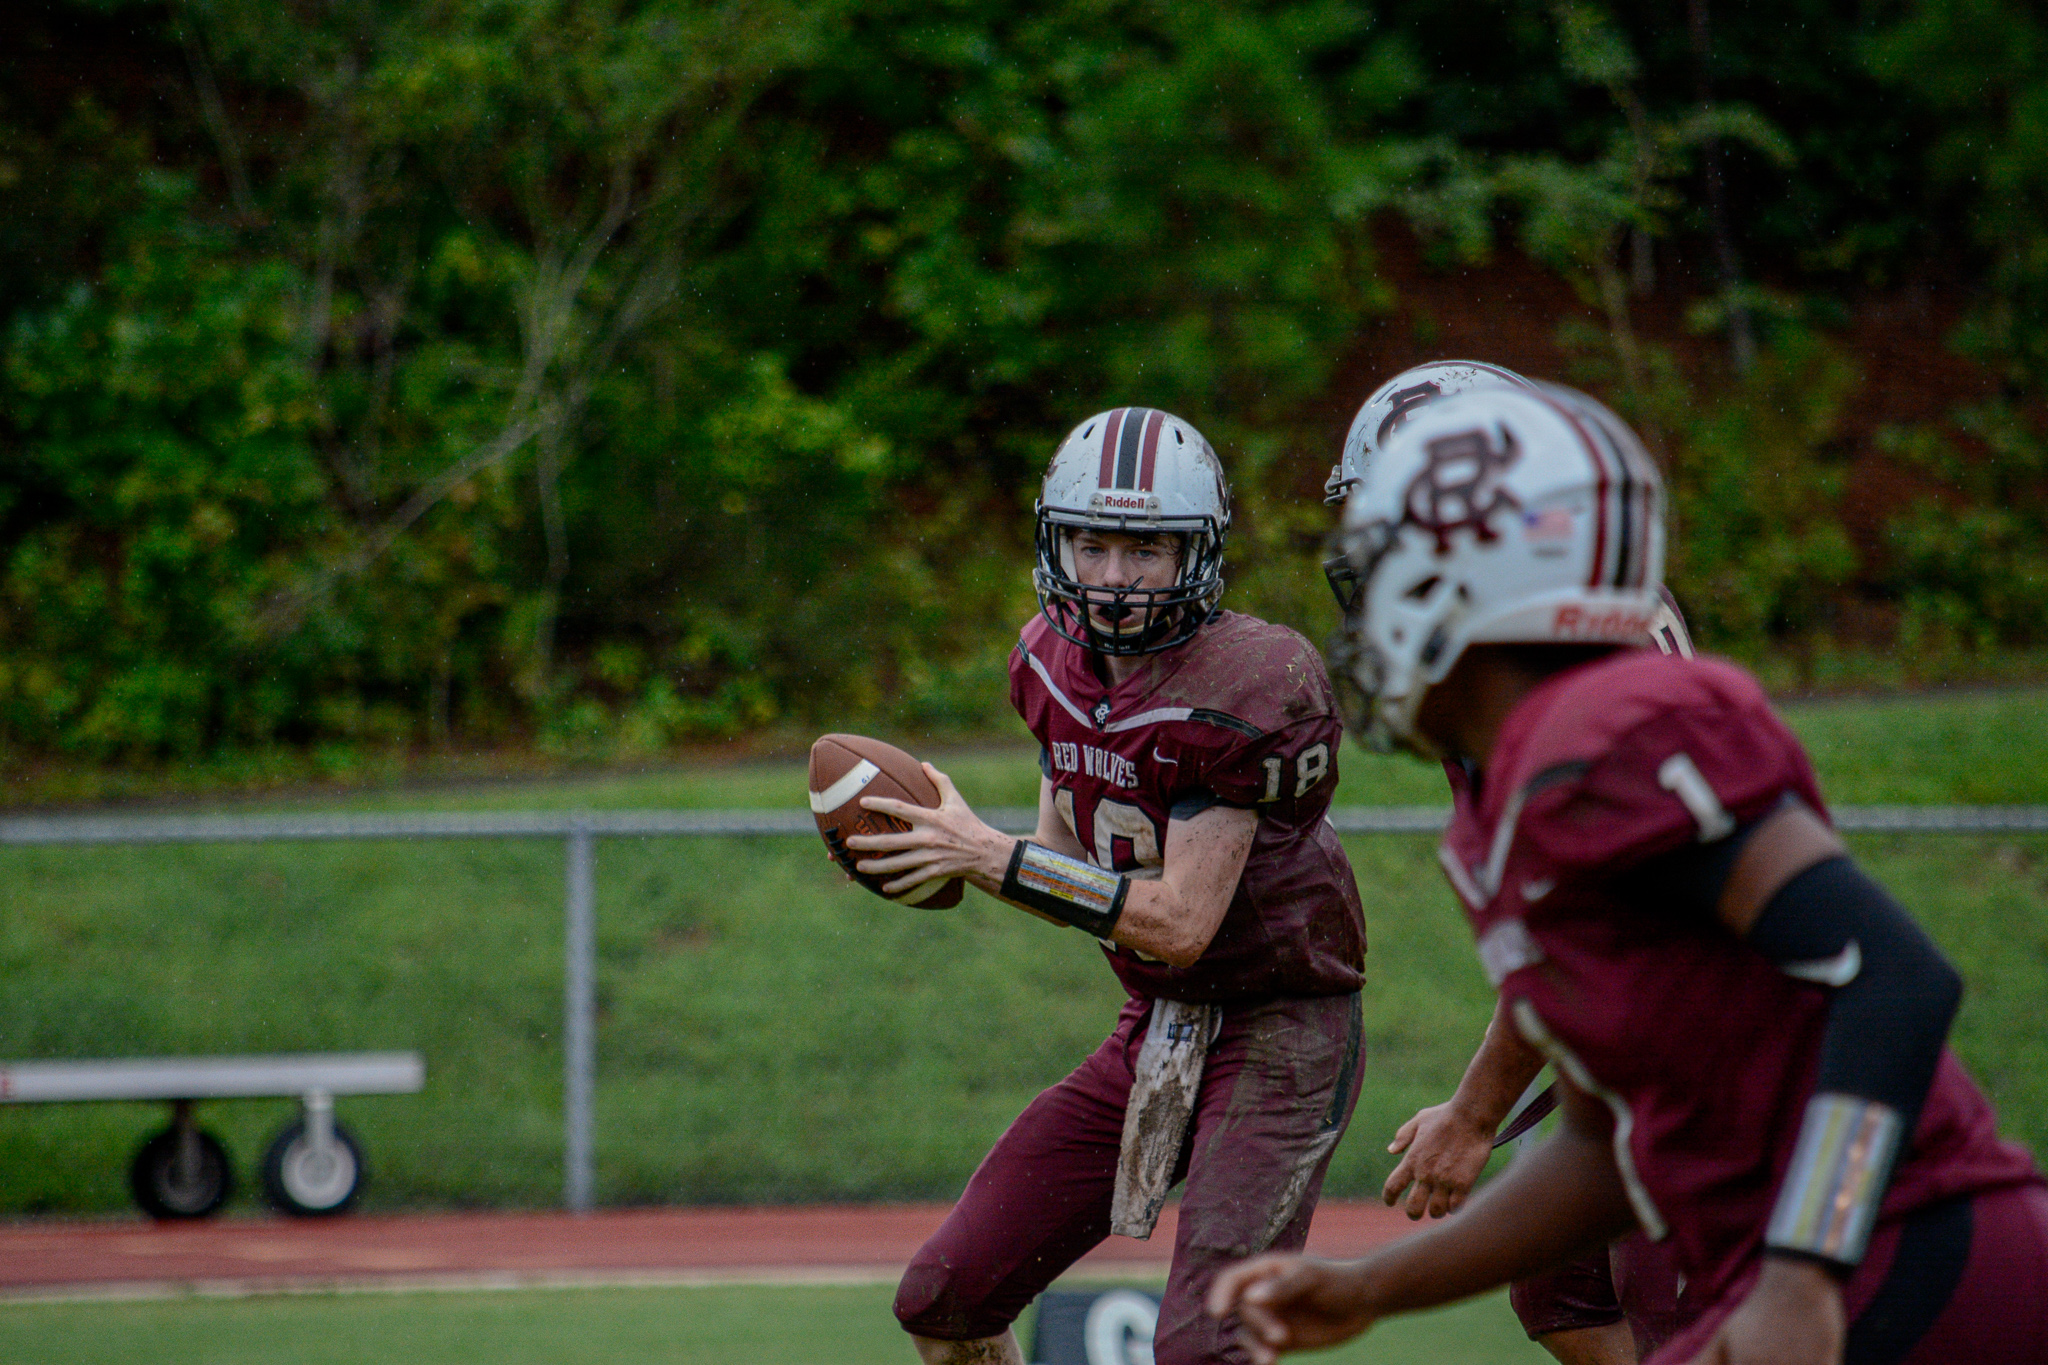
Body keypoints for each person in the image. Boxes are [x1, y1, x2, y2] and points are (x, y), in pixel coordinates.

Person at [1210, 387, 2048, 1364]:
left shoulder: (1615, 732)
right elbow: (1601, 1145)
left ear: (1472, 587)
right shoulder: (1503, 795)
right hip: (1791, 1278)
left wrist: (1799, 1273)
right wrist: (1371, 1286)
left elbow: (1893, 980)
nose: (1366, 598)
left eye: (1392, 560)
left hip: (1913, 1259)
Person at [847, 406, 1370, 1365]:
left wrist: (986, 856)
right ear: (1057, 544)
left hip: (1280, 1027)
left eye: (1146, 550)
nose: (1117, 578)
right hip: (1157, 1022)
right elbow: (1065, 860)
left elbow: (1178, 923)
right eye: (1092, 545)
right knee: (944, 1298)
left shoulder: (1254, 681)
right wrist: (949, 847)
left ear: (1198, 556)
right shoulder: (1046, 664)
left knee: (1204, 1348)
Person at [1335, 364, 1690, 1365]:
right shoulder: (1509, 663)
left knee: (1664, 1296)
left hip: (1712, 1057)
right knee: (1557, 1286)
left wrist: (1478, 1111)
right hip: (1636, 1028)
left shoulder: (1572, 681)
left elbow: (1606, 937)